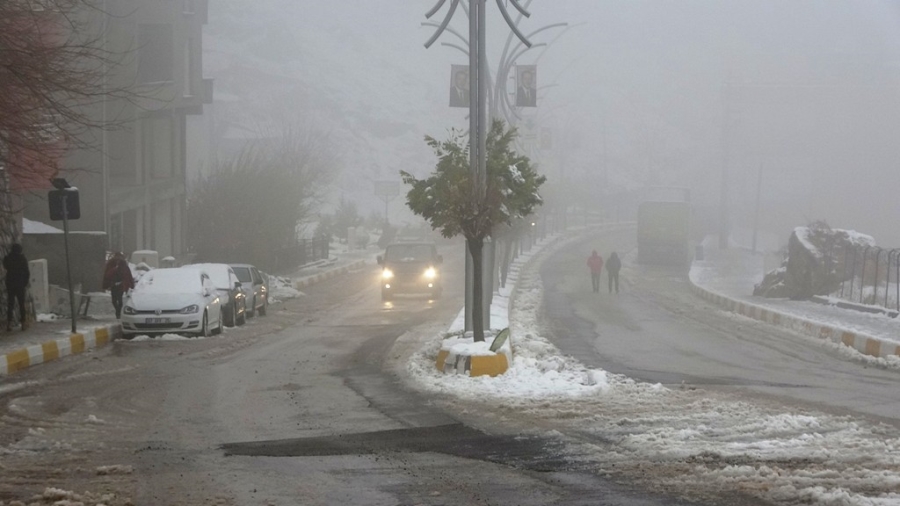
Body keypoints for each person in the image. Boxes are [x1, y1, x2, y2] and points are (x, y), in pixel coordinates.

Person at [3, 243, 30, 331]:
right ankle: (23, 323)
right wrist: (25, 283)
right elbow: (27, 272)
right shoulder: (22, 258)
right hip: (20, 283)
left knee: (10, 303)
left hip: (10, 283)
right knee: (21, 303)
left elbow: (5, 266)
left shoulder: (7, 258)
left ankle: (9, 324)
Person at [102, 252, 134, 319]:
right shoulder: (111, 264)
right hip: (114, 284)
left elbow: (128, 275)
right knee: (114, 300)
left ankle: (118, 312)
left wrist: (131, 284)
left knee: (118, 299)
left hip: (120, 284)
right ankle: (118, 311)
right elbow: (107, 274)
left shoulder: (123, 265)